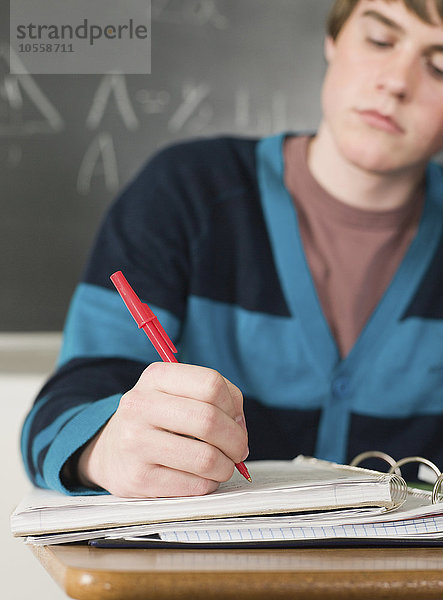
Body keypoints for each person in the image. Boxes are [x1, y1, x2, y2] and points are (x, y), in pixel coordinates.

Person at [22, 0, 443, 497]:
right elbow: (55, 421)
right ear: (333, 39)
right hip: (202, 573)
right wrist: (106, 448)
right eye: (379, 40)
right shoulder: (183, 192)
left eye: (438, 65)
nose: (396, 82)